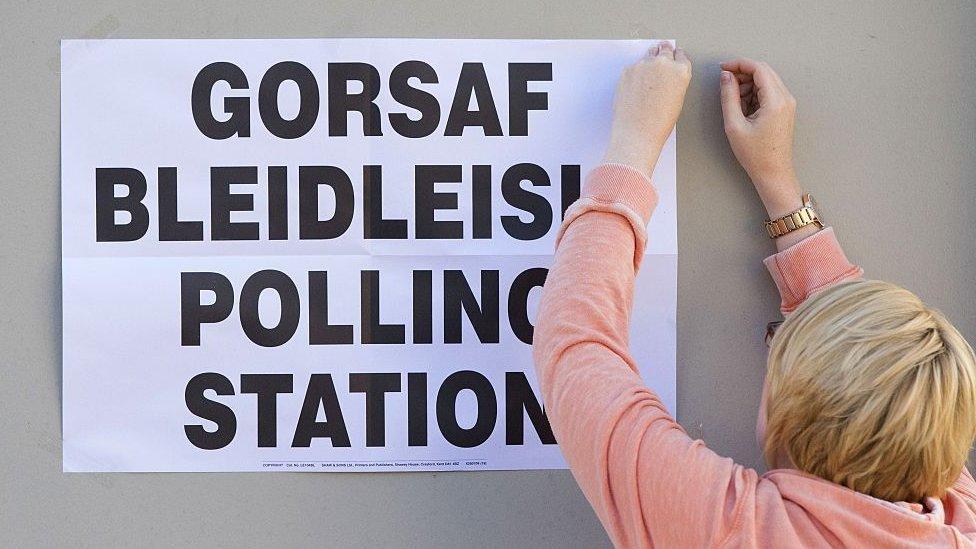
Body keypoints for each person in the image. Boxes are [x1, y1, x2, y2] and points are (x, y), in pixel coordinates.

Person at [532, 41, 976, 547]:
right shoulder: (958, 517)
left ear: (780, 421)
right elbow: (861, 350)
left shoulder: (729, 527)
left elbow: (577, 346)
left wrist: (633, 144)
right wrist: (777, 181)